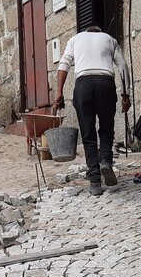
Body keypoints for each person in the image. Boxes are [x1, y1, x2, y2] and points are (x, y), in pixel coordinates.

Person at [53, 26, 131, 195]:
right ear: (98, 32)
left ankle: (95, 181)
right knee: (106, 129)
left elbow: (64, 64)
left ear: (87, 32)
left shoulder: (75, 39)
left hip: (83, 86)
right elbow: (123, 65)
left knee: (88, 133)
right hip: (106, 85)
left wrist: (59, 92)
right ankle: (105, 160)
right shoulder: (109, 39)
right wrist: (126, 96)